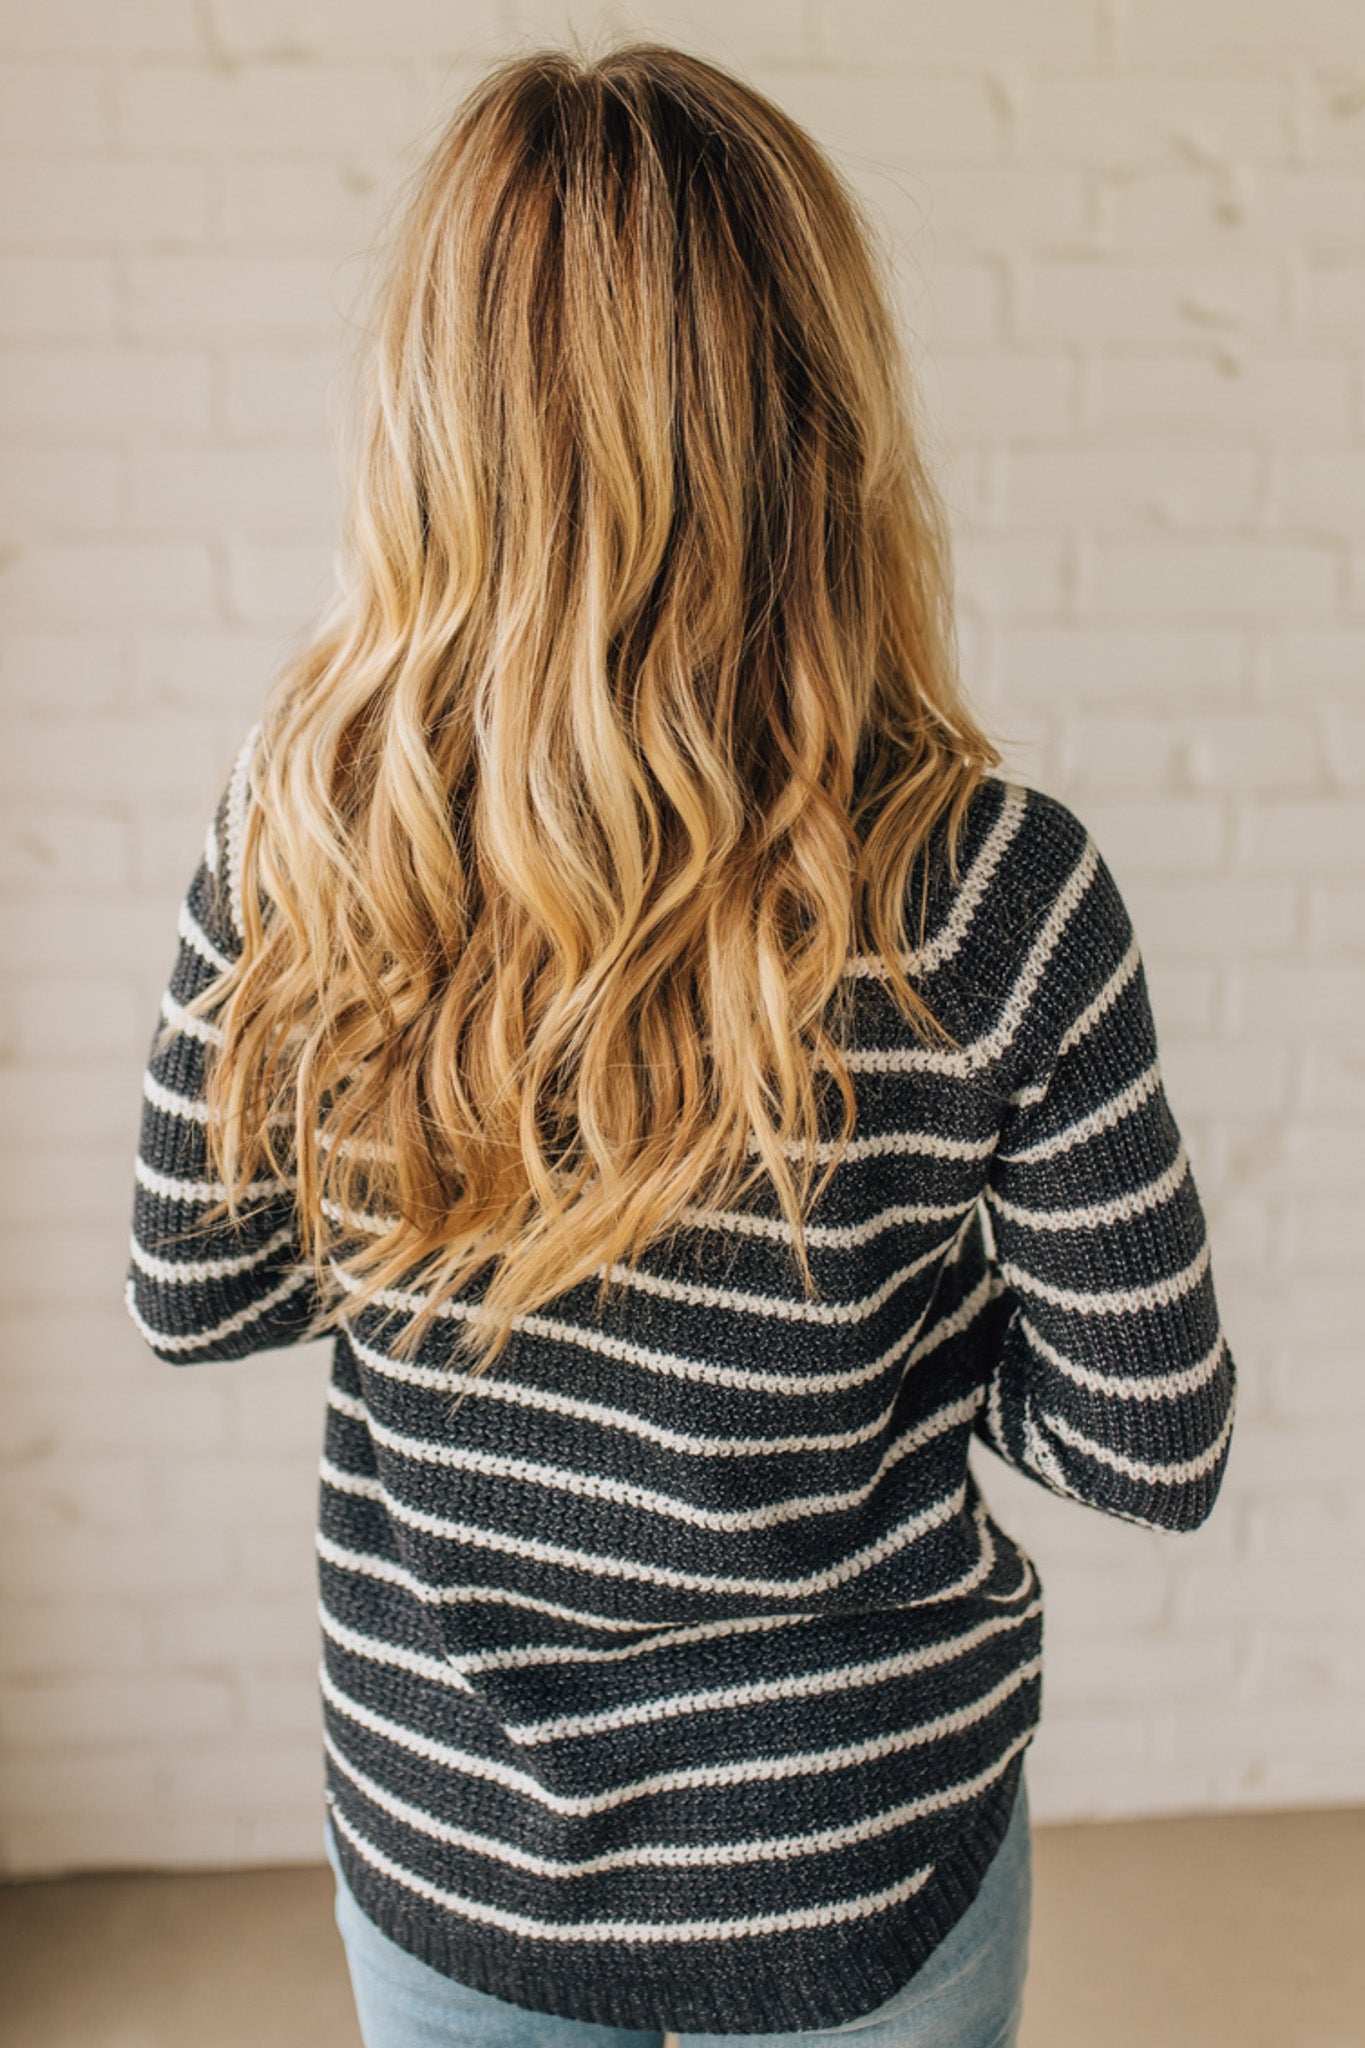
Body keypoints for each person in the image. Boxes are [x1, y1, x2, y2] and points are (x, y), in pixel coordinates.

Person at [124, 39, 1237, 2048]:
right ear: (819, 414)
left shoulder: (295, 826)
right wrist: (874, 1345)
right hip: (852, 1846)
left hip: (449, 1836)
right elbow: (1145, 1443)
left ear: (431, 419)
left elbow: (195, 1296)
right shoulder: (991, 890)